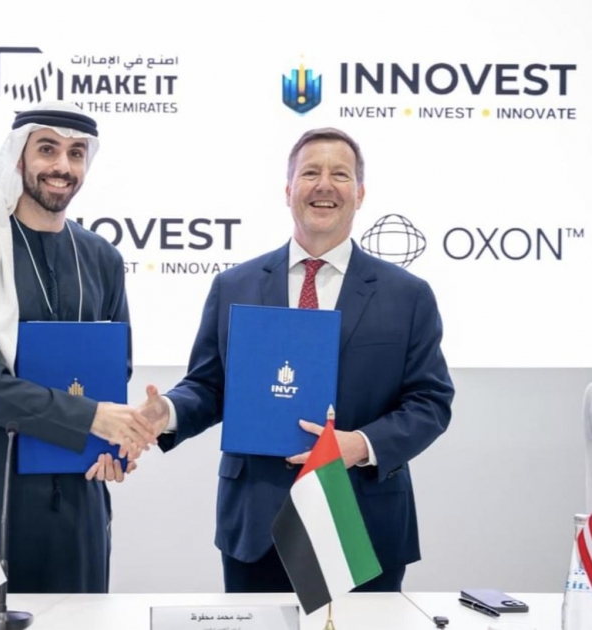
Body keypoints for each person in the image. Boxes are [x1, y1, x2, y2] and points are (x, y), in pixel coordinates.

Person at [96, 127, 454, 592]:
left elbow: (430, 401)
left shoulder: (407, 295)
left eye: (340, 175)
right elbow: (209, 386)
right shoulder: (235, 286)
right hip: (256, 525)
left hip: (362, 522)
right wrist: (167, 411)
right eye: (310, 173)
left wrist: (361, 444)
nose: (324, 185)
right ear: (288, 191)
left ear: (360, 194)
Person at [0, 101, 153, 593]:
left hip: (80, 486)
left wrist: (113, 444)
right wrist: (91, 419)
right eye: (47, 149)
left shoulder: (102, 257)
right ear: (18, 157)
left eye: (76, 153)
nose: (62, 166)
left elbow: (115, 369)